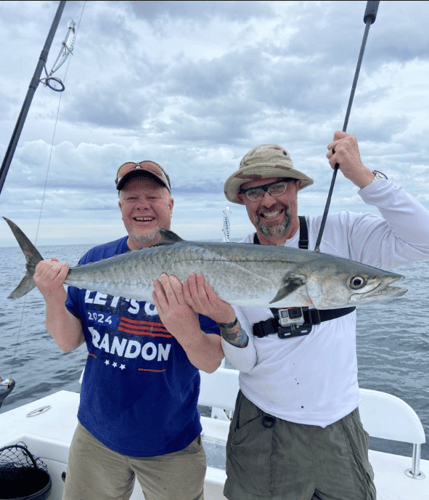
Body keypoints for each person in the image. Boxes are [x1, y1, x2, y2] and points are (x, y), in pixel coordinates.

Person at [182, 131, 429, 500]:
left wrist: (363, 176)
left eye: (278, 186)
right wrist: (226, 319)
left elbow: (423, 239)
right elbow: (245, 362)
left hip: (339, 427)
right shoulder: (228, 264)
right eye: (254, 192)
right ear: (243, 201)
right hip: (261, 426)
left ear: (297, 187)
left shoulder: (343, 232)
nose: (268, 201)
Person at [33, 160, 224, 500]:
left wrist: (185, 328)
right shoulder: (95, 258)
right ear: (121, 207)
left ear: (170, 204)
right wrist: (52, 296)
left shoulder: (200, 268)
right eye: (131, 197)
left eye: (152, 195)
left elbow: (210, 361)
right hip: (94, 436)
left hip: (171, 444)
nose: (142, 205)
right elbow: (67, 341)